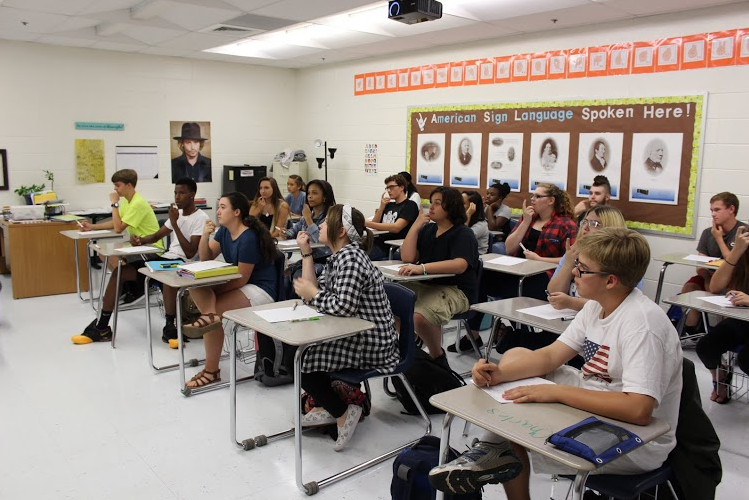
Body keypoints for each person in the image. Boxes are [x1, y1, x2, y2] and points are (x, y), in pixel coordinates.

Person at [429, 228, 683, 498]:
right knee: (516, 356)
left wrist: (556, 392)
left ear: (610, 281)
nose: (574, 272)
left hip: (635, 440)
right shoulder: (596, 306)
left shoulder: (642, 325)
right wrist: (499, 373)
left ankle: (493, 451)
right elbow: (551, 355)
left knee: (516, 433)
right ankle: (494, 451)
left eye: (583, 269)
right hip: (598, 397)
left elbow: (639, 409)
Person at [293, 204, 398, 451]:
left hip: (370, 342)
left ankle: (342, 412)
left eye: (324, 222)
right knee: (299, 353)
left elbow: (343, 306)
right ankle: (327, 406)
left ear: (340, 231)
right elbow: (313, 293)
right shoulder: (341, 256)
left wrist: (314, 295)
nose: (318, 225)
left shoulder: (351, 258)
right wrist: (306, 253)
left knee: (301, 360)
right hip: (354, 332)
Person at [497, 206, 636, 363]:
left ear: (611, 229)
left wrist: (570, 302)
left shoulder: (624, 262)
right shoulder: (575, 252)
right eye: (585, 222)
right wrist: (569, 262)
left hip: (599, 333)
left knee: (525, 350)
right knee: (517, 350)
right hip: (567, 323)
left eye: (595, 224)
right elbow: (553, 291)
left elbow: (615, 305)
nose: (586, 228)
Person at [458, 184, 576, 353]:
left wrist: (541, 259)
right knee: (481, 279)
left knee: (516, 292)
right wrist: (526, 222)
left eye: (537, 196)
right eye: (532, 195)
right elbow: (509, 247)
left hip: (545, 278)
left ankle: (517, 335)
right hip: (517, 272)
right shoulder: (528, 218)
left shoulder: (566, 225)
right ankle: (474, 335)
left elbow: (570, 258)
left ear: (551, 201)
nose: (532, 200)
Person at [182, 192, 278, 389]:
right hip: (241, 283)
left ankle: (211, 371)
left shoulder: (248, 237)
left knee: (213, 313)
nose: (218, 211)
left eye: (223, 207)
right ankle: (209, 317)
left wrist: (216, 291)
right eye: (218, 206)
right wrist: (205, 235)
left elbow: (242, 278)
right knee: (195, 284)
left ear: (236, 212)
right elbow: (206, 259)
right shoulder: (225, 231)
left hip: (259, 288)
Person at [72, 169, 163, 344]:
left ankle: (108, 318)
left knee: (117, 270)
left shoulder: (137, 203)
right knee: (102, 254)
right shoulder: (128, 202)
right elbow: (117, 222)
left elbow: (119, 228)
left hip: (150, 250)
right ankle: (131, 287)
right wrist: (92, 227)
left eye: (118, 185)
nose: (115, 190)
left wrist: (114, 204)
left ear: (129, 185)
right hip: (137, 247)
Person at [398, 186, 480, 367]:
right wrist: (415, 226)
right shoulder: (428, 230)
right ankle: (414, 351)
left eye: (438, 203)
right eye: (431, 202)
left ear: (451, 208)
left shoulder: (463, 233)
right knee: (389, 305)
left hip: (456, 290)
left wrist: (423, 268)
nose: (431, 207)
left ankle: (437, 356)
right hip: (426, 285)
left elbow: (460, 265)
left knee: (419, 317)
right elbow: (408, 257)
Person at [129, 178, 209, 344]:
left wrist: (175, 224)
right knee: (124, 271)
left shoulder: (200, 218)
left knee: (167, 277)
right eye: (175, 193)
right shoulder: (177, 215)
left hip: (185, 263)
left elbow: (190, 252)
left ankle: (169, 323)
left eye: (182, 193)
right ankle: (102, 323)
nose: (177, 197)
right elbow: (157, 235)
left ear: (192, 195)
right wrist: (141, 240)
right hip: (169, 258)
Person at [680, 192, 747, 338]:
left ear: (731, 209)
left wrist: (719, 239)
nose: (713, 214)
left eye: (717, 210)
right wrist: (707, 279)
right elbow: (700, 264)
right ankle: (690, 331)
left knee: (730, 291)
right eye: (711, 210)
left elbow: (733, 261)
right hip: (709, 277)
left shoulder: (743, 232)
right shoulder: (707, 233)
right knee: (689, 287)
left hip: (733, 279)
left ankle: (723, 335)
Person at [696, 225, 749, 404]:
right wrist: (735, 253)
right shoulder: (743, 255)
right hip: (741, 320)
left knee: (746, 360)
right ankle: (720, 378)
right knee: (706, 346)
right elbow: (715, 287)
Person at [279, 179, 336, 296]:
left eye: (315, 193)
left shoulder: (330, 216)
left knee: (297, 278)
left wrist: (309, 220)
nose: (310, 196)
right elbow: (294, 231)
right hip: (307, 259)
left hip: (324, 260)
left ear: (325, 196)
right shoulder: (308, 215)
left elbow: (321, 241)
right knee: (284, 276)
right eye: (309, 193)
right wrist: (286, 233)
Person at [365, 174, 420, 261]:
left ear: (401, 187)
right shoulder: (389, 205)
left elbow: (396, 228)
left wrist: (366, 223)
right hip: (379, 243)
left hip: (393, 246)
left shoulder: (410, 205)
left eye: (392, 187)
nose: (389, 191)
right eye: (387, 188)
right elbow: (374, 224)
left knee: (362, 257)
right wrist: (381, 208)